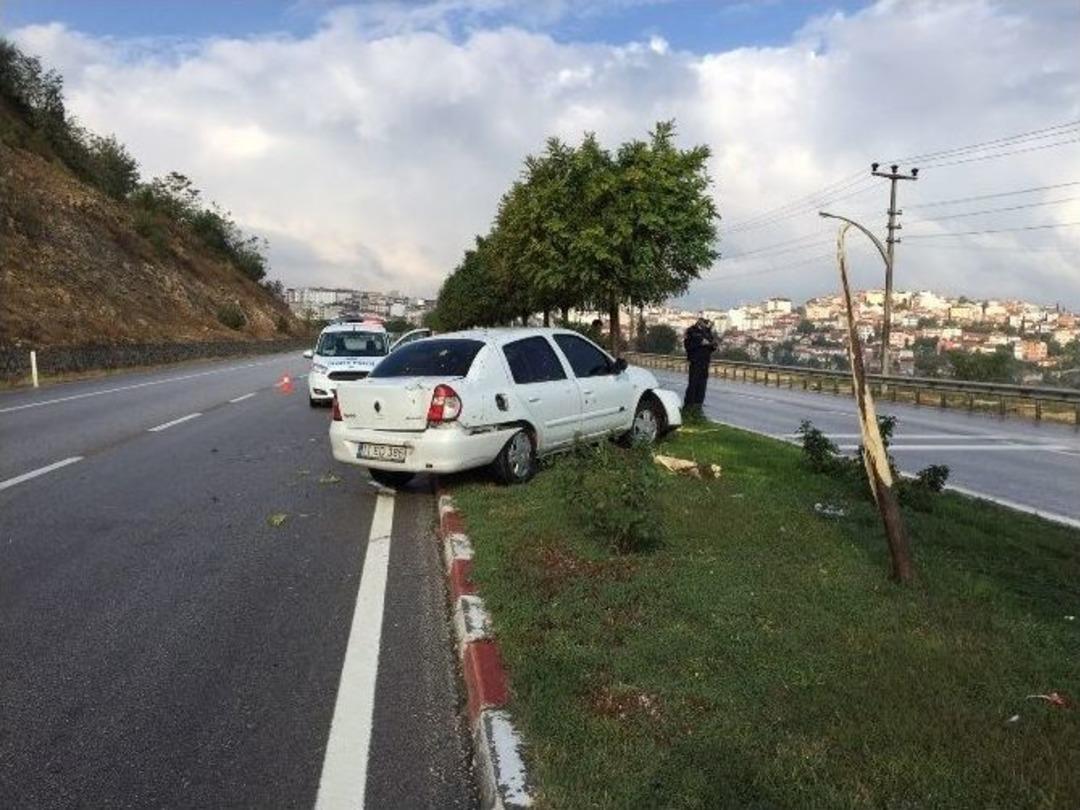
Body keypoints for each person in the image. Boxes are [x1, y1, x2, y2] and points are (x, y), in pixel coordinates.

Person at [683, 317, 716, 415]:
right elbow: (688, 345)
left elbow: (711, 345)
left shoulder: (707, 332)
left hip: (705, 362)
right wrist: (701, 343)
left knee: (702, 385)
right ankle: (689, 406)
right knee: (693, 384)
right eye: (704, 323)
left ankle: (698, 406)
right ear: (699, 323)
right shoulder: (691, 331)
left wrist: (712, 345)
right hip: (695, 361)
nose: (705, 325)